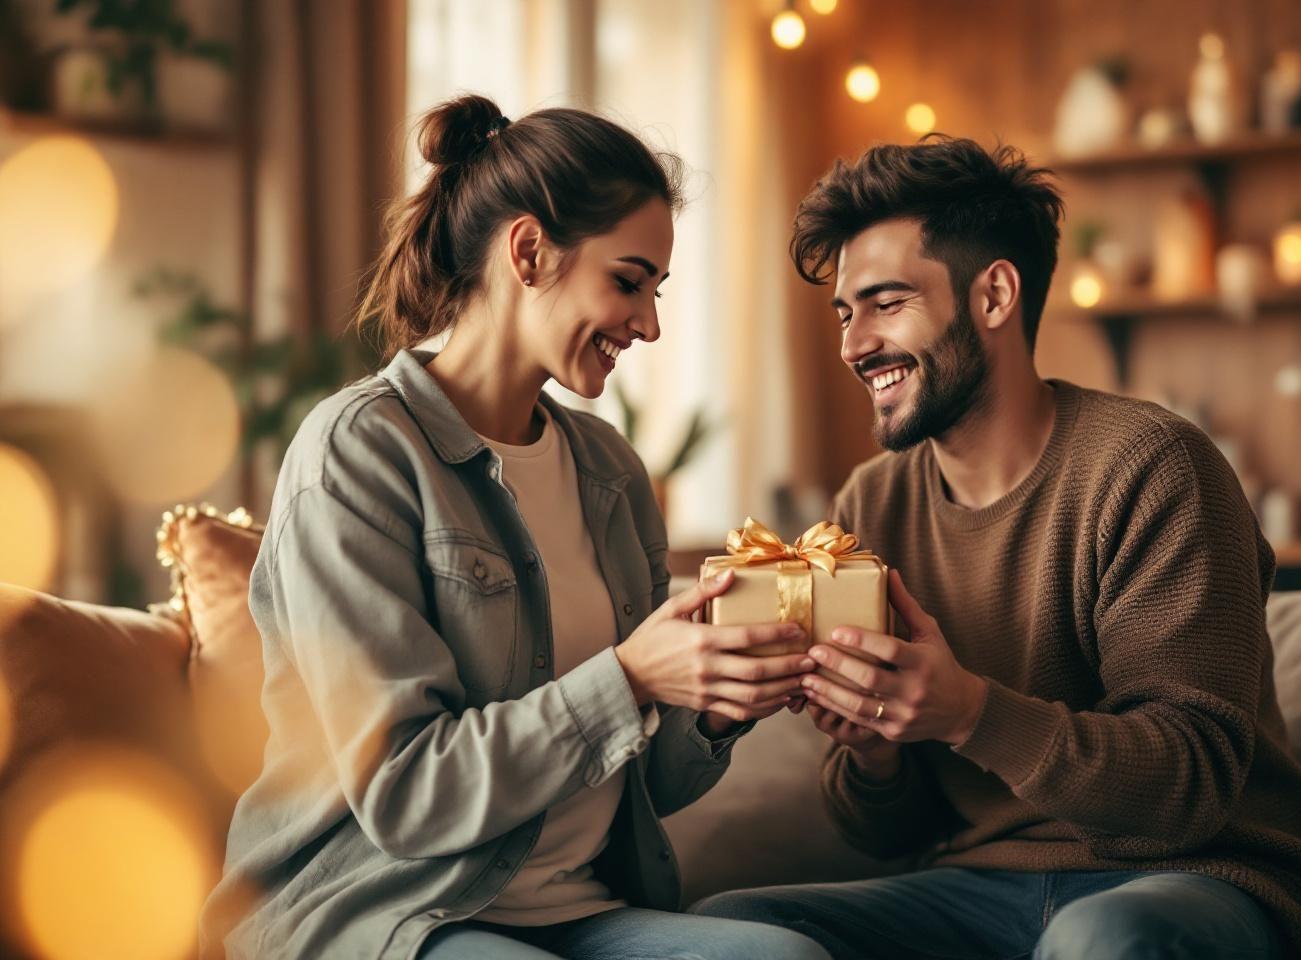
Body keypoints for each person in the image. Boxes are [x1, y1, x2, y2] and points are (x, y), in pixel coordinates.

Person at [198, 94, 830, 960]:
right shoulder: (361, 453)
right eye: (628, 280)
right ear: (529, 251)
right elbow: (405, 793)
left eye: (656, 289)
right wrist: (630, 679)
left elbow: (643, 783)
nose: (648, 323)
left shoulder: (608, 470)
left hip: (581, 913)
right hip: (388, 914)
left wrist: (717, 705)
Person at [692, 136, 1301, 960]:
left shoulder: (1150, 468)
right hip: (978, 891)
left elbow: (1189, 789)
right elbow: (888, 836)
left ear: (994, 295)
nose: (854, 345)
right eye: (845, 314)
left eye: (886, 303)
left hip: (1191, 879)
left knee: (1102, 937)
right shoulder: (872, 502)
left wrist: (970, 712)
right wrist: (876, 751)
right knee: (732, 929)